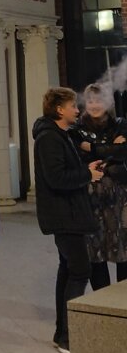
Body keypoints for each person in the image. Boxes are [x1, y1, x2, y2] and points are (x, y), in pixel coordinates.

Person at [33, 87, 104, 353]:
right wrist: (87, 175)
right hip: (65, 215)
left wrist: (88, 168)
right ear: (59, 109)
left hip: (69, 214)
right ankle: (67, 337)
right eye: (73, 105)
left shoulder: (60, 135)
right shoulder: (50, 138)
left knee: (67, 271)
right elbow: (57, 178)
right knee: (80, 270)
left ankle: (61, 333)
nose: (78, 109)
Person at [76, 83, 127, 288]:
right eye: (90, 101)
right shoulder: (77, 129)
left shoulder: (120, 124)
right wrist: (110, 149)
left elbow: (123, 152)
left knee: (124, 248)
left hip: (120, 197)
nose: (94, 105)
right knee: (95, 251)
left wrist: (93, 148)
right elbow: (79, 156)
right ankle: (100, 302)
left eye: (99, 100)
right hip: (92, 198)